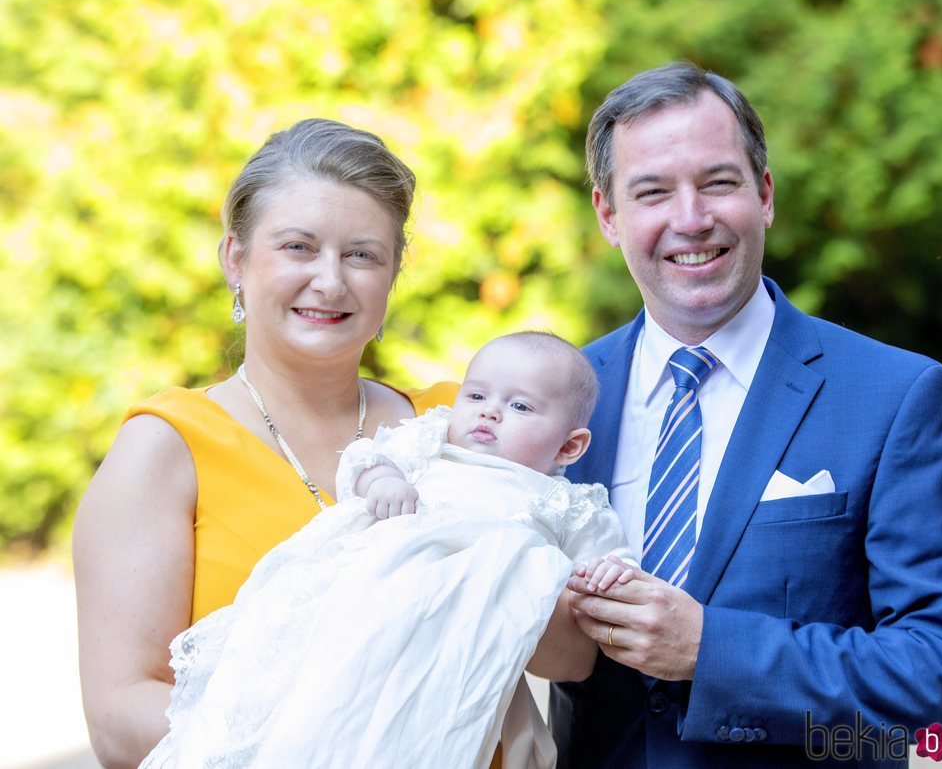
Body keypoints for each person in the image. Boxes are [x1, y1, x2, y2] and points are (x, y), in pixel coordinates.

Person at [71, 120, 587, 769]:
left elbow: (568, 654)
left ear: (395, 269)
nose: (330, 280)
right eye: (298, 247)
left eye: (362, 254)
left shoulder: (459, 424)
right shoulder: (167, 447)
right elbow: (118, 717)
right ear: (236, 256)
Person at [549, 62, 942, 768]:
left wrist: (712, 651)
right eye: (652, 192)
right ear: (607, 215)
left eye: (718, 182)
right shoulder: (558, 401)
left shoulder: (900, 397)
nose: (691, 219)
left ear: (765, 193)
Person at [138, 331, 631, 769]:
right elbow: (363, 459)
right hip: (369, 599)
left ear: (570, 447)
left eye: (520, 406)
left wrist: (607, 575)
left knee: (420, 724)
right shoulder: (431, 442)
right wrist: (383, 477)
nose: (490, 411)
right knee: (311, 686)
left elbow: (611, 561)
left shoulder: (568, 503)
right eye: (477, 394)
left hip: (453, 635)